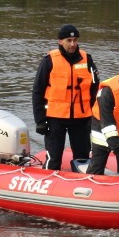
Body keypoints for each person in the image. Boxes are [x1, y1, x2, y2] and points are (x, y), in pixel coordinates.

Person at [32, 24, 100, 170]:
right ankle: (47, 185)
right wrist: (40, 120)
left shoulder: (87, 59)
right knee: (54, 158)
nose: (73, 44)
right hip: (55, 118)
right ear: (60, 42)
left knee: (82, 158)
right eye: (69, 40)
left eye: (75, 40)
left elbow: (95, 89)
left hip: (81, 118)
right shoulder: (49, 60)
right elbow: (37, 91)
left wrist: (94, 116)